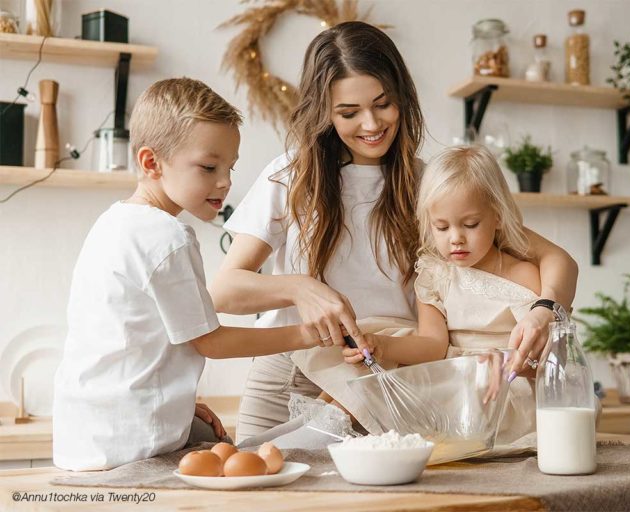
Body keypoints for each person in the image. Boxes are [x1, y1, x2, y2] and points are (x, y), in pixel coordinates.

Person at [211, 21, 578, 442]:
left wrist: (545, 309)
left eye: (382, 104)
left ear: (402, 97)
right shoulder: (289, 177)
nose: (370, 124)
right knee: (256, 494)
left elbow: (555, 259)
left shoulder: (430, 185)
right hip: (288, 372)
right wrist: (300, 288)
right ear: (323, 113)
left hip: (385, 377)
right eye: (348, 113)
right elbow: (225, 292)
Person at [52, 78, 324, 471]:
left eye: (230, 167)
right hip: (134, 444)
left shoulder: (112, 223)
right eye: (209, 166)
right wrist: (304, 335)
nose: (226, 181)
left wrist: (180, 407)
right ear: (151, 163)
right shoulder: (169, 235)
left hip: (87, 435)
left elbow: (127, 341)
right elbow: (209, 342)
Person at [343, 145, 548, 446]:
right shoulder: (434, 274)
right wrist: (381, 345)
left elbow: (543, 358)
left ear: (499, 217)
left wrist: (507, 360)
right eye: (442, 227)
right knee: (375, 385)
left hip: (505, 385)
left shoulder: (524, 274)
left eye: (470, 225)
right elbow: (432, 345)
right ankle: (329, 426)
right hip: (453, 379)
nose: (456, 238)